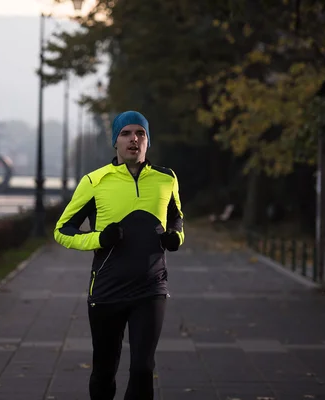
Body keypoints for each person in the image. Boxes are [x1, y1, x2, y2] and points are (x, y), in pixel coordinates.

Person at [53, 110, 185, 400]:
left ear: (148, 141)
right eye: (125, 133)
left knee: (142, 369)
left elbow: (176, 217)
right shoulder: (94, 181)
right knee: (104, 371)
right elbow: (62, 230)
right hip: (107, 290)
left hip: (150, 288)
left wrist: (175, 237)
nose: (133, 139)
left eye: (140, 133)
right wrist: (99, 238)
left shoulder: (166, 178)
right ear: (115, 141)